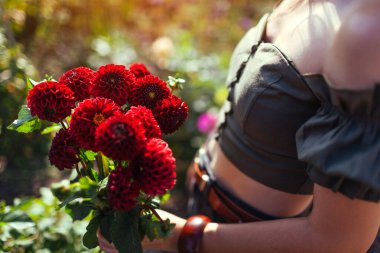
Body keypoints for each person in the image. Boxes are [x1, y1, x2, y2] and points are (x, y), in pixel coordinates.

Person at [98, 0, 380, 252]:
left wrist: (179, 237)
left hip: (248, 240)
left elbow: (338, 241)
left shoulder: (368, 32)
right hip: (204, 214)